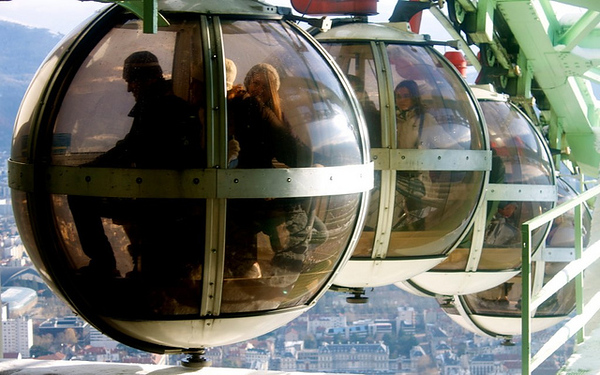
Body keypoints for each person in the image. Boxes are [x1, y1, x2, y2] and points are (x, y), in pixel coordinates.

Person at [68, 51, 204, 287]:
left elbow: (132, 147)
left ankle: (103, 264)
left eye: (132, 81)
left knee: (80, 197)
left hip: (154, 200)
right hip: (173, 198)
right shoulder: (173, 104)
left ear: (145, 79)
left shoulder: (153, 107)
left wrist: (91, 169)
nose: (130, 88)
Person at [223, 62, 322, 310]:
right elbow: (290, 147)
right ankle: (275, 279)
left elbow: (287, 143)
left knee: (314, 232)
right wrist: (310, 164)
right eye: (253, 82)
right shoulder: (252, 108)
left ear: (272, 90)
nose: (256, 88)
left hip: (257, 187)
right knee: (310, 233)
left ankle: (269, 275)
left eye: (263, 85)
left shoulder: (262, 111)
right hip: (251, 190)